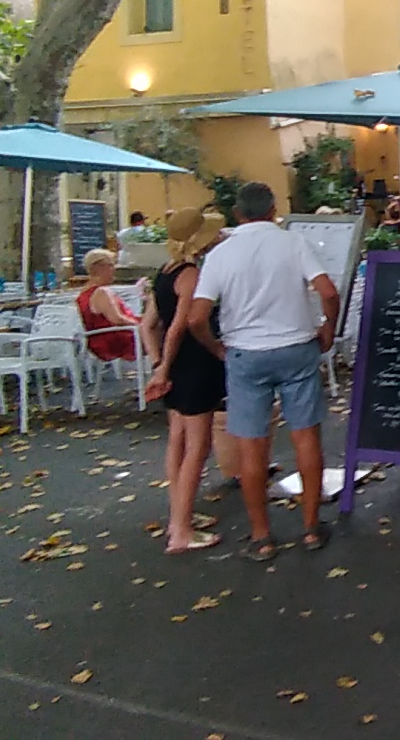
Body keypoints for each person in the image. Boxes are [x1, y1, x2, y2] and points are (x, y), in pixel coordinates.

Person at [188, 181, 341, 560]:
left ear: (237, 213)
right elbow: (328, 292)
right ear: (273, 210)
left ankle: (261, 536)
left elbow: (196, 318)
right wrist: (328, 327)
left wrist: (217, 347)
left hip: (245, 354)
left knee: (252, 445)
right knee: (306, 438)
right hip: (296, 348)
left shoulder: (220, 254)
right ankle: (310, 527)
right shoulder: (293, 243)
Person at [141, 208, 231, 554]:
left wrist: (159, 363)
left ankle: (179, 513)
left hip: (175, 365)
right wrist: (164, 368)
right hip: (195, 365)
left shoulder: (164, 273)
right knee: (198, 446)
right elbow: (181, 325)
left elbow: (148, 325)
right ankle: (181, 531)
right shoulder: (191, 274)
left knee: (177, 441)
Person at [76, 249, 142, 363]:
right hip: (116, 340)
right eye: (111, 265)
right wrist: (140, 325)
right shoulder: (101, 292)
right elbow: (117, 319)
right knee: (163, 334)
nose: (114, 269)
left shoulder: (84, 292)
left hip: (101, 339)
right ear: (99, 268)